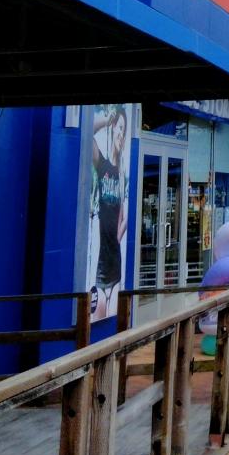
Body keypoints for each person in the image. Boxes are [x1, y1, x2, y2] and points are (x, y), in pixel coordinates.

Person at [92, 107, 128, 320]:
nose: (121, 134)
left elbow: (125, 217)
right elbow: (88, 134)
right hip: (100, 269)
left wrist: (117, 236)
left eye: (124, 130)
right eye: (119, 128)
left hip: (116, 268)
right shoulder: (103, 166)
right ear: (114, 128)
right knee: (95, 321)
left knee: (113, 326)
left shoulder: (123, 175)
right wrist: (107, 120)